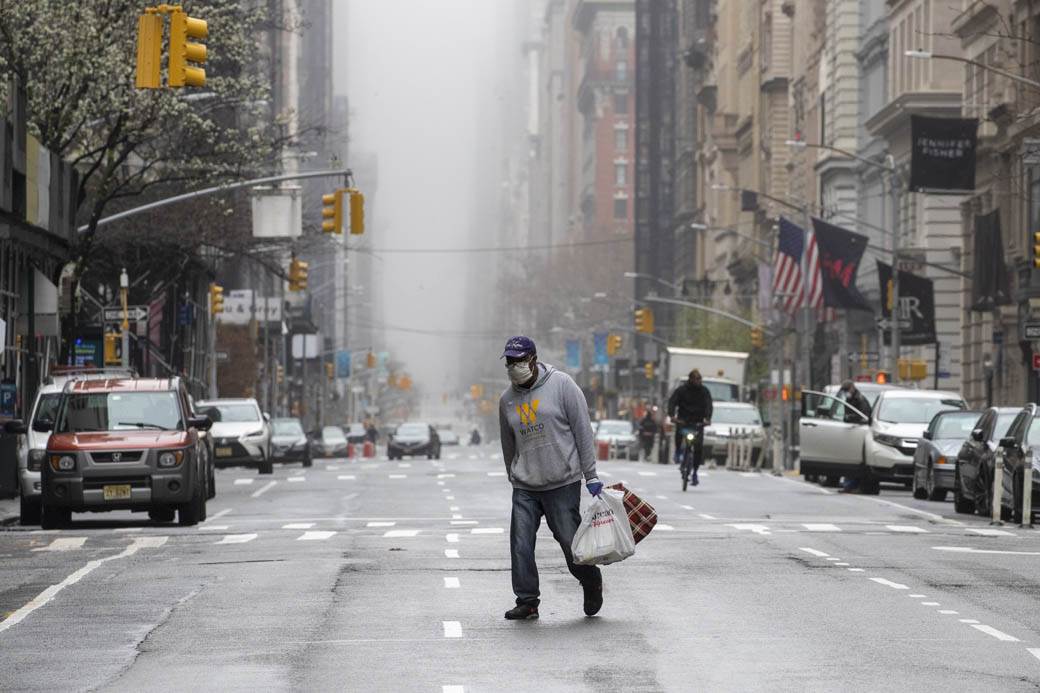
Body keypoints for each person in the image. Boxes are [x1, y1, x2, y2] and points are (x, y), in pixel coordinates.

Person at [498, 335, 604, 621]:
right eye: (509, 362)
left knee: (571, 543)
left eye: (518, 361)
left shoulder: (563, 385)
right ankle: (527, 601)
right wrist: (513, 474)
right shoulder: (507, 400)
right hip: (525, 485)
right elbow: (508, 444)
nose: (513, 366)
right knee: (520, 544)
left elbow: (583, 430)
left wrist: (590, 474)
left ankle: (590, 579)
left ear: (533, 359)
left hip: (562, 481)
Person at [666, 369, 713, 485]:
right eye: (696, 379)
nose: (698, 381)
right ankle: (678, 451)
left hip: (698, 422)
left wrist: (707, 418)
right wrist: (672, 415)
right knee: (679, 434)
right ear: (690, 379)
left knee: (698, 448)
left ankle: (695, 472)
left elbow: (709, 405)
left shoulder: (704, 391)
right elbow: (672, 402)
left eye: (699, 379)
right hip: (684, 420)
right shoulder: (681, 390)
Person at [837, 380, 871, 493]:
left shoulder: (860, 400)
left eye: (847, 390)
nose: (846, 393)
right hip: (851, 432)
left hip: (859, 433)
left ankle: (855, 485)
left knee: (857, 462)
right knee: (849, 460)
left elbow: (864, 417)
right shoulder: (850, 399)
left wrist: (851, 418)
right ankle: (848, 486)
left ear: (852, 388)